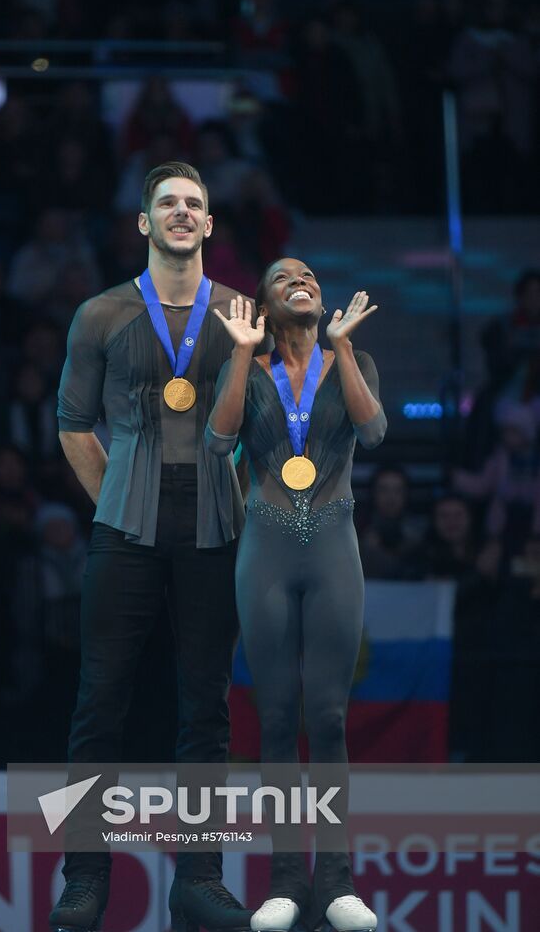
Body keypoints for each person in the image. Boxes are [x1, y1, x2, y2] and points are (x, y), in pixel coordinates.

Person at [51, 162, 254, 932]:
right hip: (125, 526)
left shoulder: (240, 312)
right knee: (99, 701)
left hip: (213, 525)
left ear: (207, 226)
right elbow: (73, 426)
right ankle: (83, 880)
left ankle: (199, 878)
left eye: (192, 205)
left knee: (206, 707)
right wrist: (116, 501)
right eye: (165, 202)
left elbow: (261, 428)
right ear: (143, 222)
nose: (179, 212)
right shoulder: (100, 315)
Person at [206, 258, 385, 931]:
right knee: (277, 720)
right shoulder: (248, 371)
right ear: (263, 305)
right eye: (282, 277)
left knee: (330, 719)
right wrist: (240, 357)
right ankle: (286, 881)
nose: (298, 278)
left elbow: (372, 432)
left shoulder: (354, 360)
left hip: (334, 552)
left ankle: (336, 884)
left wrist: (341, 347)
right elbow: (218, 439)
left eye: (307, 273)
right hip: (266, 557)